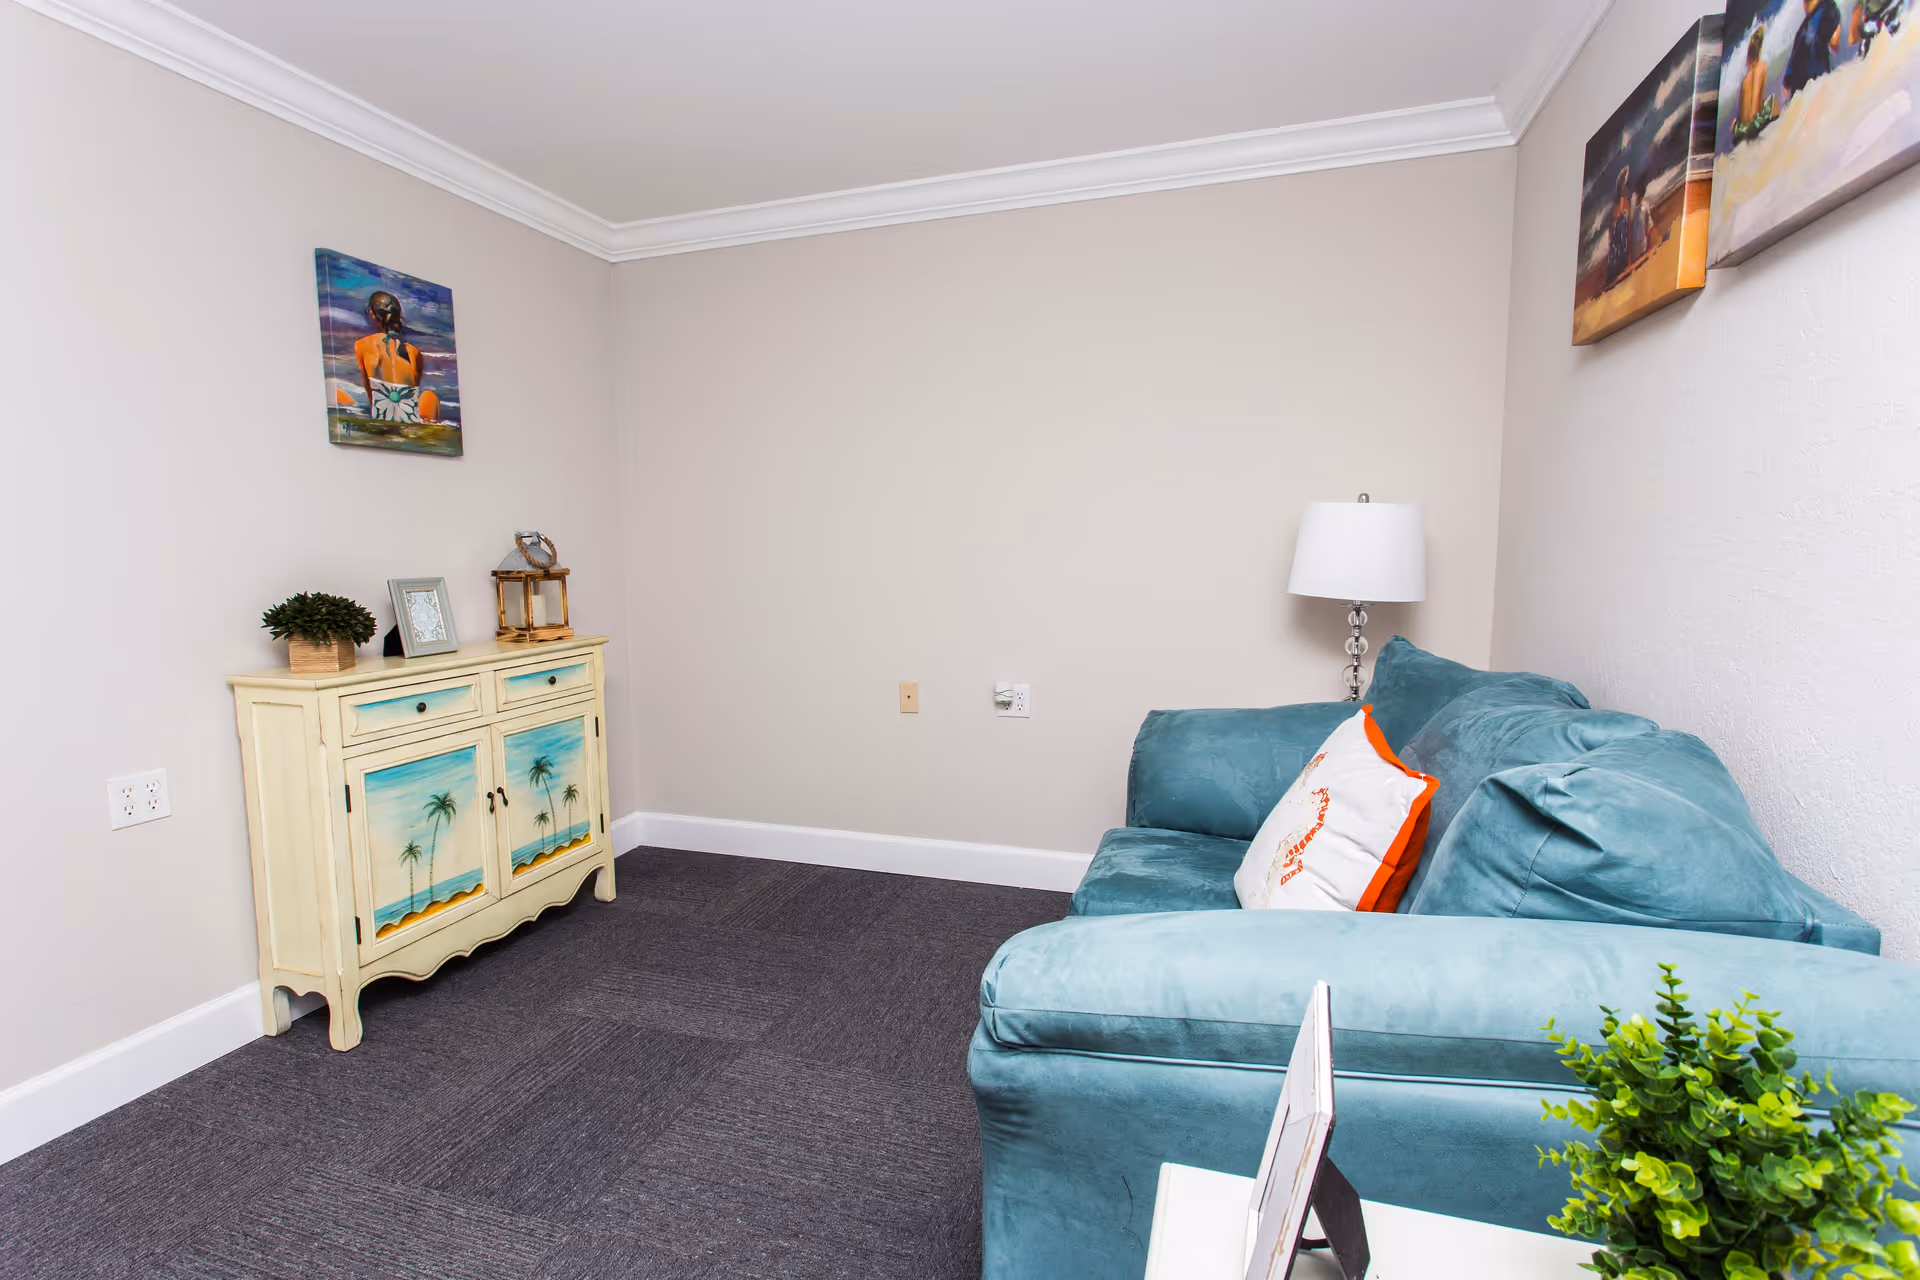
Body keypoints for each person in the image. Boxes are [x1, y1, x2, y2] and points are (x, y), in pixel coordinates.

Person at [353, 291, 440, 423]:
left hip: (382, 416)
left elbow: (370, 392)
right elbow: (412, 395)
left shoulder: (362, 345)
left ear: (372, 314)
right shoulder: (414, 352)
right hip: (409, 419)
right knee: (429, 396)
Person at [1783, 0, 1845, 100]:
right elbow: (1834, 44)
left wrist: (1787, 79)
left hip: (1805, 82)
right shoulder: (1829, 10)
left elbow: (1795, 56)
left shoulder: (1804, 28)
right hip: (1814, 79)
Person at [1606, 167, 1633, 287]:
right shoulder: (1625, 205)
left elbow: (1611, 240)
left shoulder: (1614, 210)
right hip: (1621, 259)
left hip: (1613, 261)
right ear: (1624, 187)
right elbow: (1627, 235)